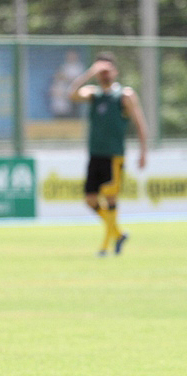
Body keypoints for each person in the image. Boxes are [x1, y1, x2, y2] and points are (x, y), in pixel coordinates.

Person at [69, 52, 148, 256]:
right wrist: (89, 72)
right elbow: (72, 94)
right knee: (90, 199)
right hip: (95, 154)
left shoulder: (124, 95)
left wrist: (143, 151)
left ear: (115, 71)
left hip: (114, 156)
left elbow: (139, 123)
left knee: (111, 198)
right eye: (100, 71)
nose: (104, 74)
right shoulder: (94, 94)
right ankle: (118, 233)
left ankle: (106, 246)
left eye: (107, 70)